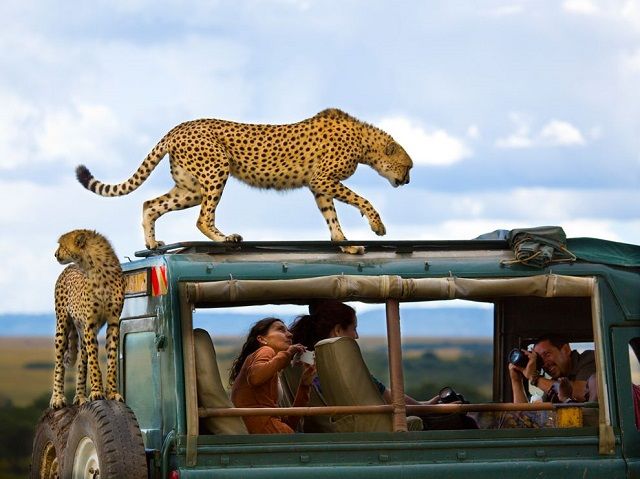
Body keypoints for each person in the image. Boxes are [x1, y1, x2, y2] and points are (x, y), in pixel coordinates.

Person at [290, 299, 478, 430]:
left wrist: (426, 404)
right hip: (375, 430)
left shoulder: (305, 363)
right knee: (465, 422)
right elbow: (389, 398)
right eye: (353, 329)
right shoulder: (343, 368)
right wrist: (430, 408)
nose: (356, 336)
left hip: (345, 428)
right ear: (338, 329)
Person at [229, 317, 316, 433]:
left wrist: (304, 384)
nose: (290, 334)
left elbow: (289, 424)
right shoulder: (265, 350)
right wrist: (288, 353)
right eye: (281, 330)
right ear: (262, 339)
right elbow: (255, 377)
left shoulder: (272, 372)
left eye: (288, 331)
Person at [509, 333, 597, 404]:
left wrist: (534, 378)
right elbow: (523, 417)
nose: (545, 363)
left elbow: (584, 392)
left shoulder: (590, 359)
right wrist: (516, 381)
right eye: (540, 360)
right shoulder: (554, 381)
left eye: (547, 355)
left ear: (566, 350)